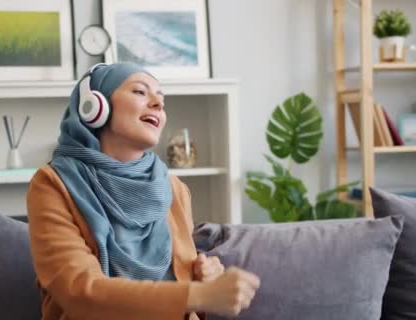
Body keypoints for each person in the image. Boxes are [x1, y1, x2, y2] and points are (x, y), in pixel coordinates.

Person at [27, 62, 260, 320]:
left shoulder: (175, 189)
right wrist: (199, 294)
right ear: (94, 106)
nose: (158, 104)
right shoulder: (52, 184)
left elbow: (183, 286)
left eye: (161, 99)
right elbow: (79, 291)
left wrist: (205, 278)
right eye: (140, 92)